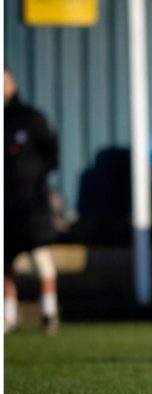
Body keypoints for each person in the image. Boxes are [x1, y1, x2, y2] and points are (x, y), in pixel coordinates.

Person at [4, 68, 60, 335]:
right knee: (5, 264)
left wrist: (32, 178)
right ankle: (8, 316)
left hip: (32, 204)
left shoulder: (31, 119)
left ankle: (49, 312)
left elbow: (52, 154)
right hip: (6, 205)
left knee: (41, 260)